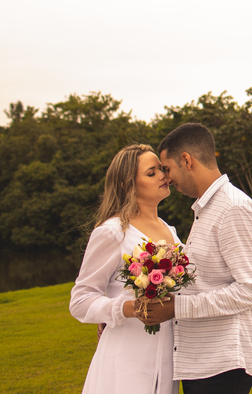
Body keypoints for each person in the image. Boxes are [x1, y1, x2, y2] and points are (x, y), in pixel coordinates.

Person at [146, 123, 252, 394]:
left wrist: (178, 308)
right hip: (203, 362)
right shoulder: (206, 208)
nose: (167, 178)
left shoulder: (232, 207)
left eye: (167, 169)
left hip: (223, 363)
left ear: (186, 160)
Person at [69, 143, 181, 394]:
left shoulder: (169, 230)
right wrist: (126, 308)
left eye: (162, 170)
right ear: (127, 184)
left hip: (168, 361)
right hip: (127, 361)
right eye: (151, 173)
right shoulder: (113, 232)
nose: (163, 176)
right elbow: (80, 300)